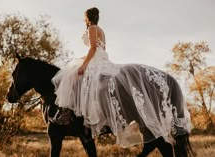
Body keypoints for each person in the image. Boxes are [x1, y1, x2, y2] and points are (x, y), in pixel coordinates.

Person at [51, 7, 191, 147]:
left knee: (73, 76)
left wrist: (83, 65)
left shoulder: (92, 28)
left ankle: (67, 114)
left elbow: (93, 49)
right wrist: (80, 60)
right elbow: (100, 50)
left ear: (87, 18)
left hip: (96, 60)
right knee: (78, 74)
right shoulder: (100, 30)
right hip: (101, 58)